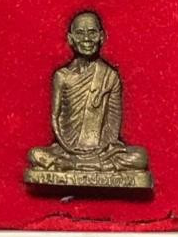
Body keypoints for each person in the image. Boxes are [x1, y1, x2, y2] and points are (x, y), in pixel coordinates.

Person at [28, 12, 149, 172]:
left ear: (102, 37)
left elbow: (113, 123)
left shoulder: (109, 75)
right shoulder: (62, 76)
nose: (86, 39)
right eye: (80, 33)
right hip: (67, 149)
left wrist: (100, 149)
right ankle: (90, 166)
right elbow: (55, 118)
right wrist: (69, 148)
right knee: (35, 154)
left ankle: (76, 166)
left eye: (92, 32)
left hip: (102, 151)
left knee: (141, 157)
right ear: (70, 39)